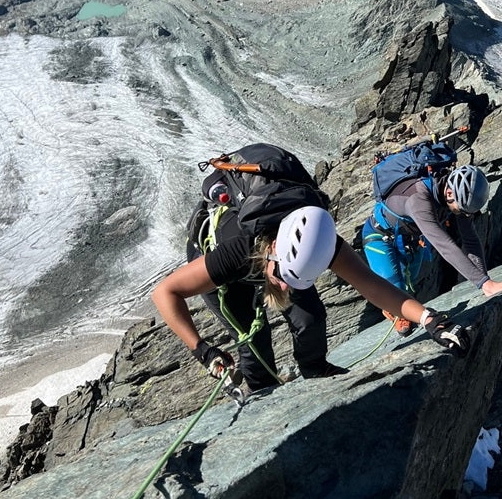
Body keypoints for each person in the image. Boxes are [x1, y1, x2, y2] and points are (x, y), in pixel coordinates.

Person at [152, 153, 470, 392]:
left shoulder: (318, 242)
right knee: (254, 341)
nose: (283, 287)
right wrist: (202, 350)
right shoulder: (236, 250)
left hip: (277, 258)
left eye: (291, 281)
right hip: (227, 266)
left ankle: (314, 371)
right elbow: (165, 292)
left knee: (311, 317)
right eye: (281, 277)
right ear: (273, 249)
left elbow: (372, 285)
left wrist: (429, 319)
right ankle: (262, 392)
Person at [361, 163, 502, 336]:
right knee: (394, 291)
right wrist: (485, 284)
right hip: (378, 237)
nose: (462, 214)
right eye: (461, 209)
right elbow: (445, 247)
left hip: (411, 241)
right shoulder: (418, 201)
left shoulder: (454, 194)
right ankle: (394, 310)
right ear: (450, 193)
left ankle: (401, 302)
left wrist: (485, 281)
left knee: (409, 285)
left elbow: (470, 239)